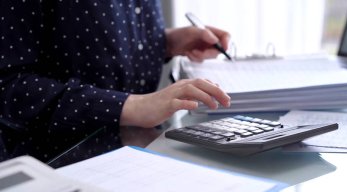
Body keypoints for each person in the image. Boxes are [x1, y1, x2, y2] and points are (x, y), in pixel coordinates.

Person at [0, 1, 231, 160]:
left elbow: (85, 42)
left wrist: (167, 42)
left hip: (137, 151)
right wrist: (132, 106)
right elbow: (8, 83)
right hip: (54, 166)